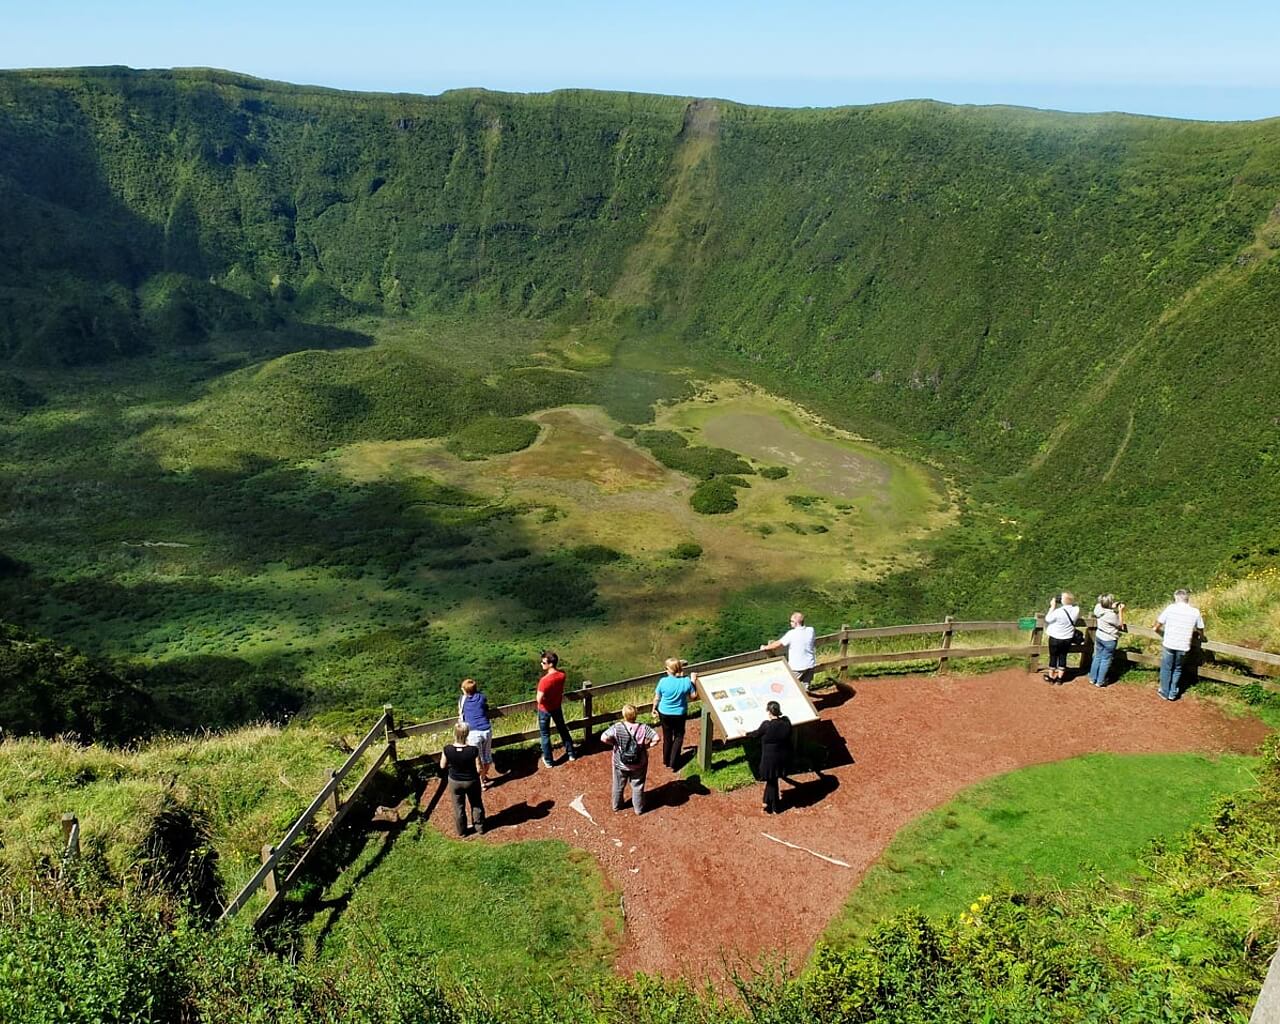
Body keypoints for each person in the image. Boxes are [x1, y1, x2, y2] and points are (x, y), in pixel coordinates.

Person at [602, 704, 659, 815]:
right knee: (638, 786)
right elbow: (657, 738)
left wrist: (614, 743)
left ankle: (616, 805)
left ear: (624, 715)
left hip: (620, 762)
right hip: (639, 763)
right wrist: (646, 746)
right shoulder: (643, 727)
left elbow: (603, 737)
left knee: (618, 784)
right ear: (635, 715)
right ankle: (638, 808)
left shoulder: (617, 727)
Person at [1154, 589, 1206, 701]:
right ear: (1187, 599)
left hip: (1169, 642)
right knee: (1177, 668)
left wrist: (1156, 629)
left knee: (1166, 668)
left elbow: (1159, 622)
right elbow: (1200, 627)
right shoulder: (1195, 611)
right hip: (1184, 645)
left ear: (1176, 598)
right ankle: (1173, 693)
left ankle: (1164, 691)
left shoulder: (1171, 608)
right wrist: (1201, 637)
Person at [439, 722, 485, 836]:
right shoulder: (473, 750)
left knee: (458, 807)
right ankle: (479, 827)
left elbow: (442, 766)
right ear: (467, 734)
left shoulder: (447, 749)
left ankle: (462, 831)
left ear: (454, 733)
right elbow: (479, 769)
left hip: (455, 781)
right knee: (476, 803)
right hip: (471, 781)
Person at [653, 658, 699, 770]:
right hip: (679, 713)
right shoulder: (686, 681)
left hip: (664, 712)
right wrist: (693, 681)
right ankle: (673, 762)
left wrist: (654, 708)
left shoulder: (663, 681)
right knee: (678, 736)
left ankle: (666, 760)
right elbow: (694, 697)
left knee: (667, 736)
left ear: (669, 670)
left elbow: (657, 697)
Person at [535, 650, 577, 768]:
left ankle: (548, 761)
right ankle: (571, 753)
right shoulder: (562, 675)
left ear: (550, 664)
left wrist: (546, 700)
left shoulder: (544, 681)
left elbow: (539, 699)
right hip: (557, 707)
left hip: (545, 709)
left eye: (543, 662)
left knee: (545, 735)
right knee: (562, 729)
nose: (541, 664)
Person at [751, 701, 792, 814]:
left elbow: (755, 734)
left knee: (772, 781)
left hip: (769, 759)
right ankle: (767, 801)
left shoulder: (766, 725)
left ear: (769, 711)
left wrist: (745, 733)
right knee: (772, 780)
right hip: (782, 757)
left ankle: (775, 806)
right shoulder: (786, 723)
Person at [458, 678, 499, 788]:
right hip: (486, 730)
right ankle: (483, 777)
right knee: (487, 757)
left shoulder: (462, 699)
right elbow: (485, 708)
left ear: (465, 691)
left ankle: (481, 782)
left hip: (473, 733)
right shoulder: (482, 697)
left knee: (478, 760)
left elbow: (461, 713)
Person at [760, 611, 818, 688]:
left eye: (791, 621)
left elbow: (778, 644)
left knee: (788, 686)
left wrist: (765, 647)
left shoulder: (791, 634)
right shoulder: (811, 630)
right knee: (804, 687)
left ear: (796, 622)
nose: (790, 623)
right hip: (810, 664)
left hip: (797, 666)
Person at [1087, 595, 1126, 687]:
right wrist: (1120, 611)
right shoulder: (1111, 615)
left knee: (1097, 656)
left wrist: (1111, 606)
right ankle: (1100, 681)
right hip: (1109, 638)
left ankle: (1092, 678)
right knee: (1105, 659)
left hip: (1099, 635)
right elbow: (1120, 625)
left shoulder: (1098, 609)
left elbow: (1101, 605)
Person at [1043, 591, 1081, 684]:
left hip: (1055, 638)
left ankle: (1051, 678)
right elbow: (1075, 606)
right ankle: (1060, 679)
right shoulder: (1076, 609)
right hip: (1067, 638)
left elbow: (1047, 619)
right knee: (1063, 656)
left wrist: (1052, 606)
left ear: (1062, 601)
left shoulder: (1058, 612)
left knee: (1053, 657)